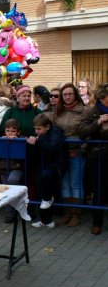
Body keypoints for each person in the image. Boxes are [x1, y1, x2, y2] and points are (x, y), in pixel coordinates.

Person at [53, 83, 92, 227]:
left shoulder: (85, 111)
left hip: (77, 153)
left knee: (75, 184)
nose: (68, 97)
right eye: (65, 95)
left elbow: (88, 134)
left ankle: (76, 215)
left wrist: (81, 149)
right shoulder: (58, 111)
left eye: (70, 94)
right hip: (62, 153)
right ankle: (67, 213)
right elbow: (54, 131)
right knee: (64, 183)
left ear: (75, 95)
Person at [28, 114, 66, 228]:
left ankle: (49, 203)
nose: (36, 131)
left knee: (44, 183)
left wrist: (38, 141)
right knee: (42, 191)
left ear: (47, 127)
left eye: (39, 129)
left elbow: (52, 148)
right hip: (44, 165)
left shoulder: (56, 133)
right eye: (35, 129)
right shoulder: (41, 134)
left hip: (56, 166)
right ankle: (47, 221)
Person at [79, 83, 108, 234]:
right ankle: (97, 223)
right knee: (99, 190)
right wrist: (98, 122)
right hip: (98, 156)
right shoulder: (92, 112)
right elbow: (82, 132)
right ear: (103, 98)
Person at [0, 119, 25, 186]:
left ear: (18, 132)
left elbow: (22, 151)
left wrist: (17, 140)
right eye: (7, 131)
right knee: (6, 187)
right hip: (3, 168)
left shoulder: (22, 139)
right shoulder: (1, 139)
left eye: (13, 131)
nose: (10, 133)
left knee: (12, 180)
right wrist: (1, 142)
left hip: (17, 167)